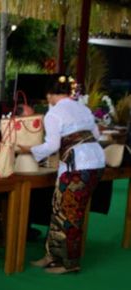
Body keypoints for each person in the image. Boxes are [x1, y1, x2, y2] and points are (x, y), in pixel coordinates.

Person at [21, 74, 105, 274]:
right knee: (61, 209)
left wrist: (30, 150)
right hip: (95, 163)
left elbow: (52, 145)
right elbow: (97, 135)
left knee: (69, 214)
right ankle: (52, 254)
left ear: (50, 95)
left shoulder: (53, 114)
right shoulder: (83, 109)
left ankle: (69, 263)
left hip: (77, 166)